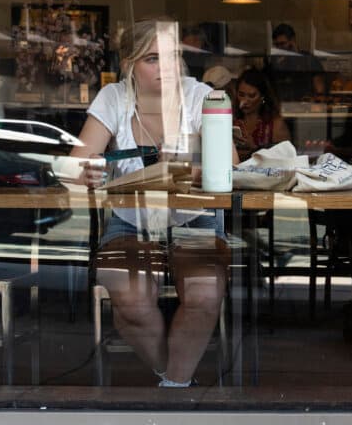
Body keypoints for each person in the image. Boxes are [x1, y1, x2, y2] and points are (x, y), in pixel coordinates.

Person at [71, 19, 234, 387]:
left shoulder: (201, 95)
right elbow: (76, 162)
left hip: (196, 219)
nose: (168, 67)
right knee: (131, 305)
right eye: (153, 58)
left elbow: (232, 167)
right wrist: (88, 170)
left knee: (205, 296)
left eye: (174, 56)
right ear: (129, 64)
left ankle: (173, 390)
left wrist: (192, 165)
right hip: (130, 221)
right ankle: (174, 379)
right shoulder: (114, 98)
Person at [233, 68, 291, 161]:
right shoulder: (230, 121)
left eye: (251, 96)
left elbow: (286, 159)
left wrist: (254, 149)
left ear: (263, 97)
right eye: (241, 94)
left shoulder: (275, 125)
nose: (244, 101)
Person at [267, 23, 326, 101]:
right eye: (277, 45)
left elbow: (320, 92)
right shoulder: (276, 63)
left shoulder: (309, 60)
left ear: (292, 41)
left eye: (283, 44)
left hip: (306, 107)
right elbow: (271, 91)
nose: (279, 48)